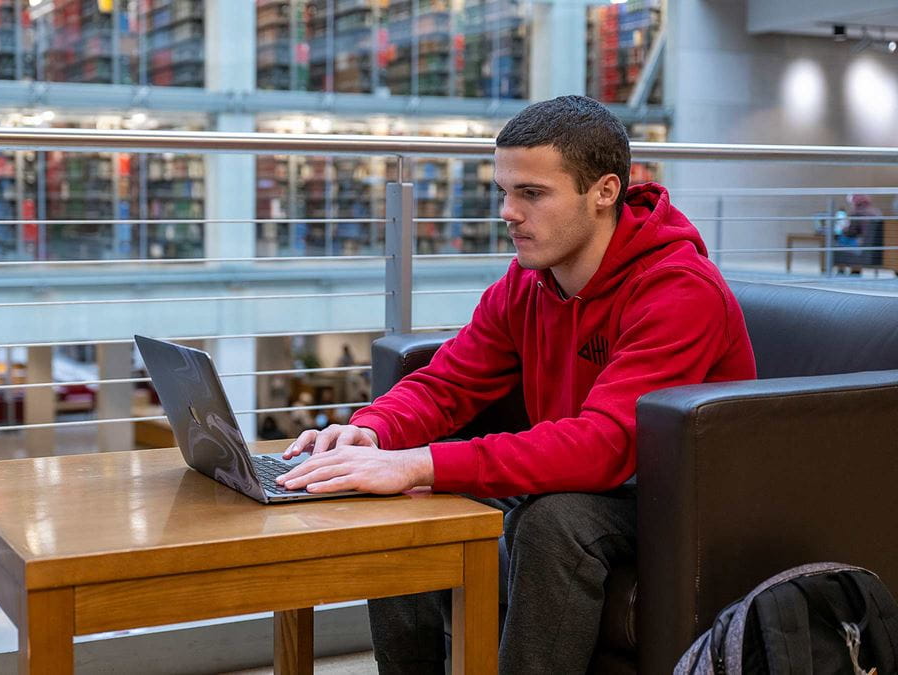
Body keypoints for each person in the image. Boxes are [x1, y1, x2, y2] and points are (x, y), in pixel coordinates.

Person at [277, 95, 758, 673]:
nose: (507, 211)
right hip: (576, 471)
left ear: (604, 191)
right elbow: (446, 382)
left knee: (553, 522)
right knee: (395, 497)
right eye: (503, 191)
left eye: (531, 193)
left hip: (665, 496)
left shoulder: (678, 289)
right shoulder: (531, 279)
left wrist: (422, 462)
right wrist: (372, 433)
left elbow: (607, 444)